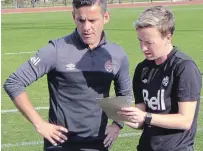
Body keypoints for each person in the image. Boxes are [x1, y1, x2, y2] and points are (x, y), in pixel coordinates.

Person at [3, 0, 132, 150]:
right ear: (73, 16)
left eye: (92, 20)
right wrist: (40, 123)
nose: (86, 27)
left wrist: (117, 124)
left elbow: (124, 93)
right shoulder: (56, 50)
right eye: (81, 20)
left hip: (98, 143)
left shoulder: (116, 53)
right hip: (60, 143)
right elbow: (14, 82)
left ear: (106, 17)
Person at [118, 5, 202, 151]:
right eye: (140, 41)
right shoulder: (142, 69)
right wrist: (119, 114)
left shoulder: (184, 67)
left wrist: (146, 117)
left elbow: (185, 120)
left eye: (149, 42)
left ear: (168, 37)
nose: (143, 48)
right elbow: (139, 122)